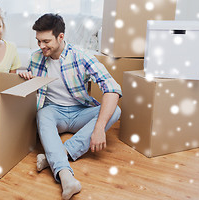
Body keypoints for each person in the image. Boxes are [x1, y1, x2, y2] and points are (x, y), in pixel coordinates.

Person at [19, 13, 122, 200]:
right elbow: (28, 90)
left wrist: (99, 128)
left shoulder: (81, 56)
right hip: (53, 111)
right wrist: (26, 78)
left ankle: (58, 154)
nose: (41, 46)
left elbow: (112, 88)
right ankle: (66, 178)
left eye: (46, 41)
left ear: (61, 37)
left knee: (115, 110)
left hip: (79, 112)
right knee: (43, 115)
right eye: (38, 41)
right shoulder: (35, 58)